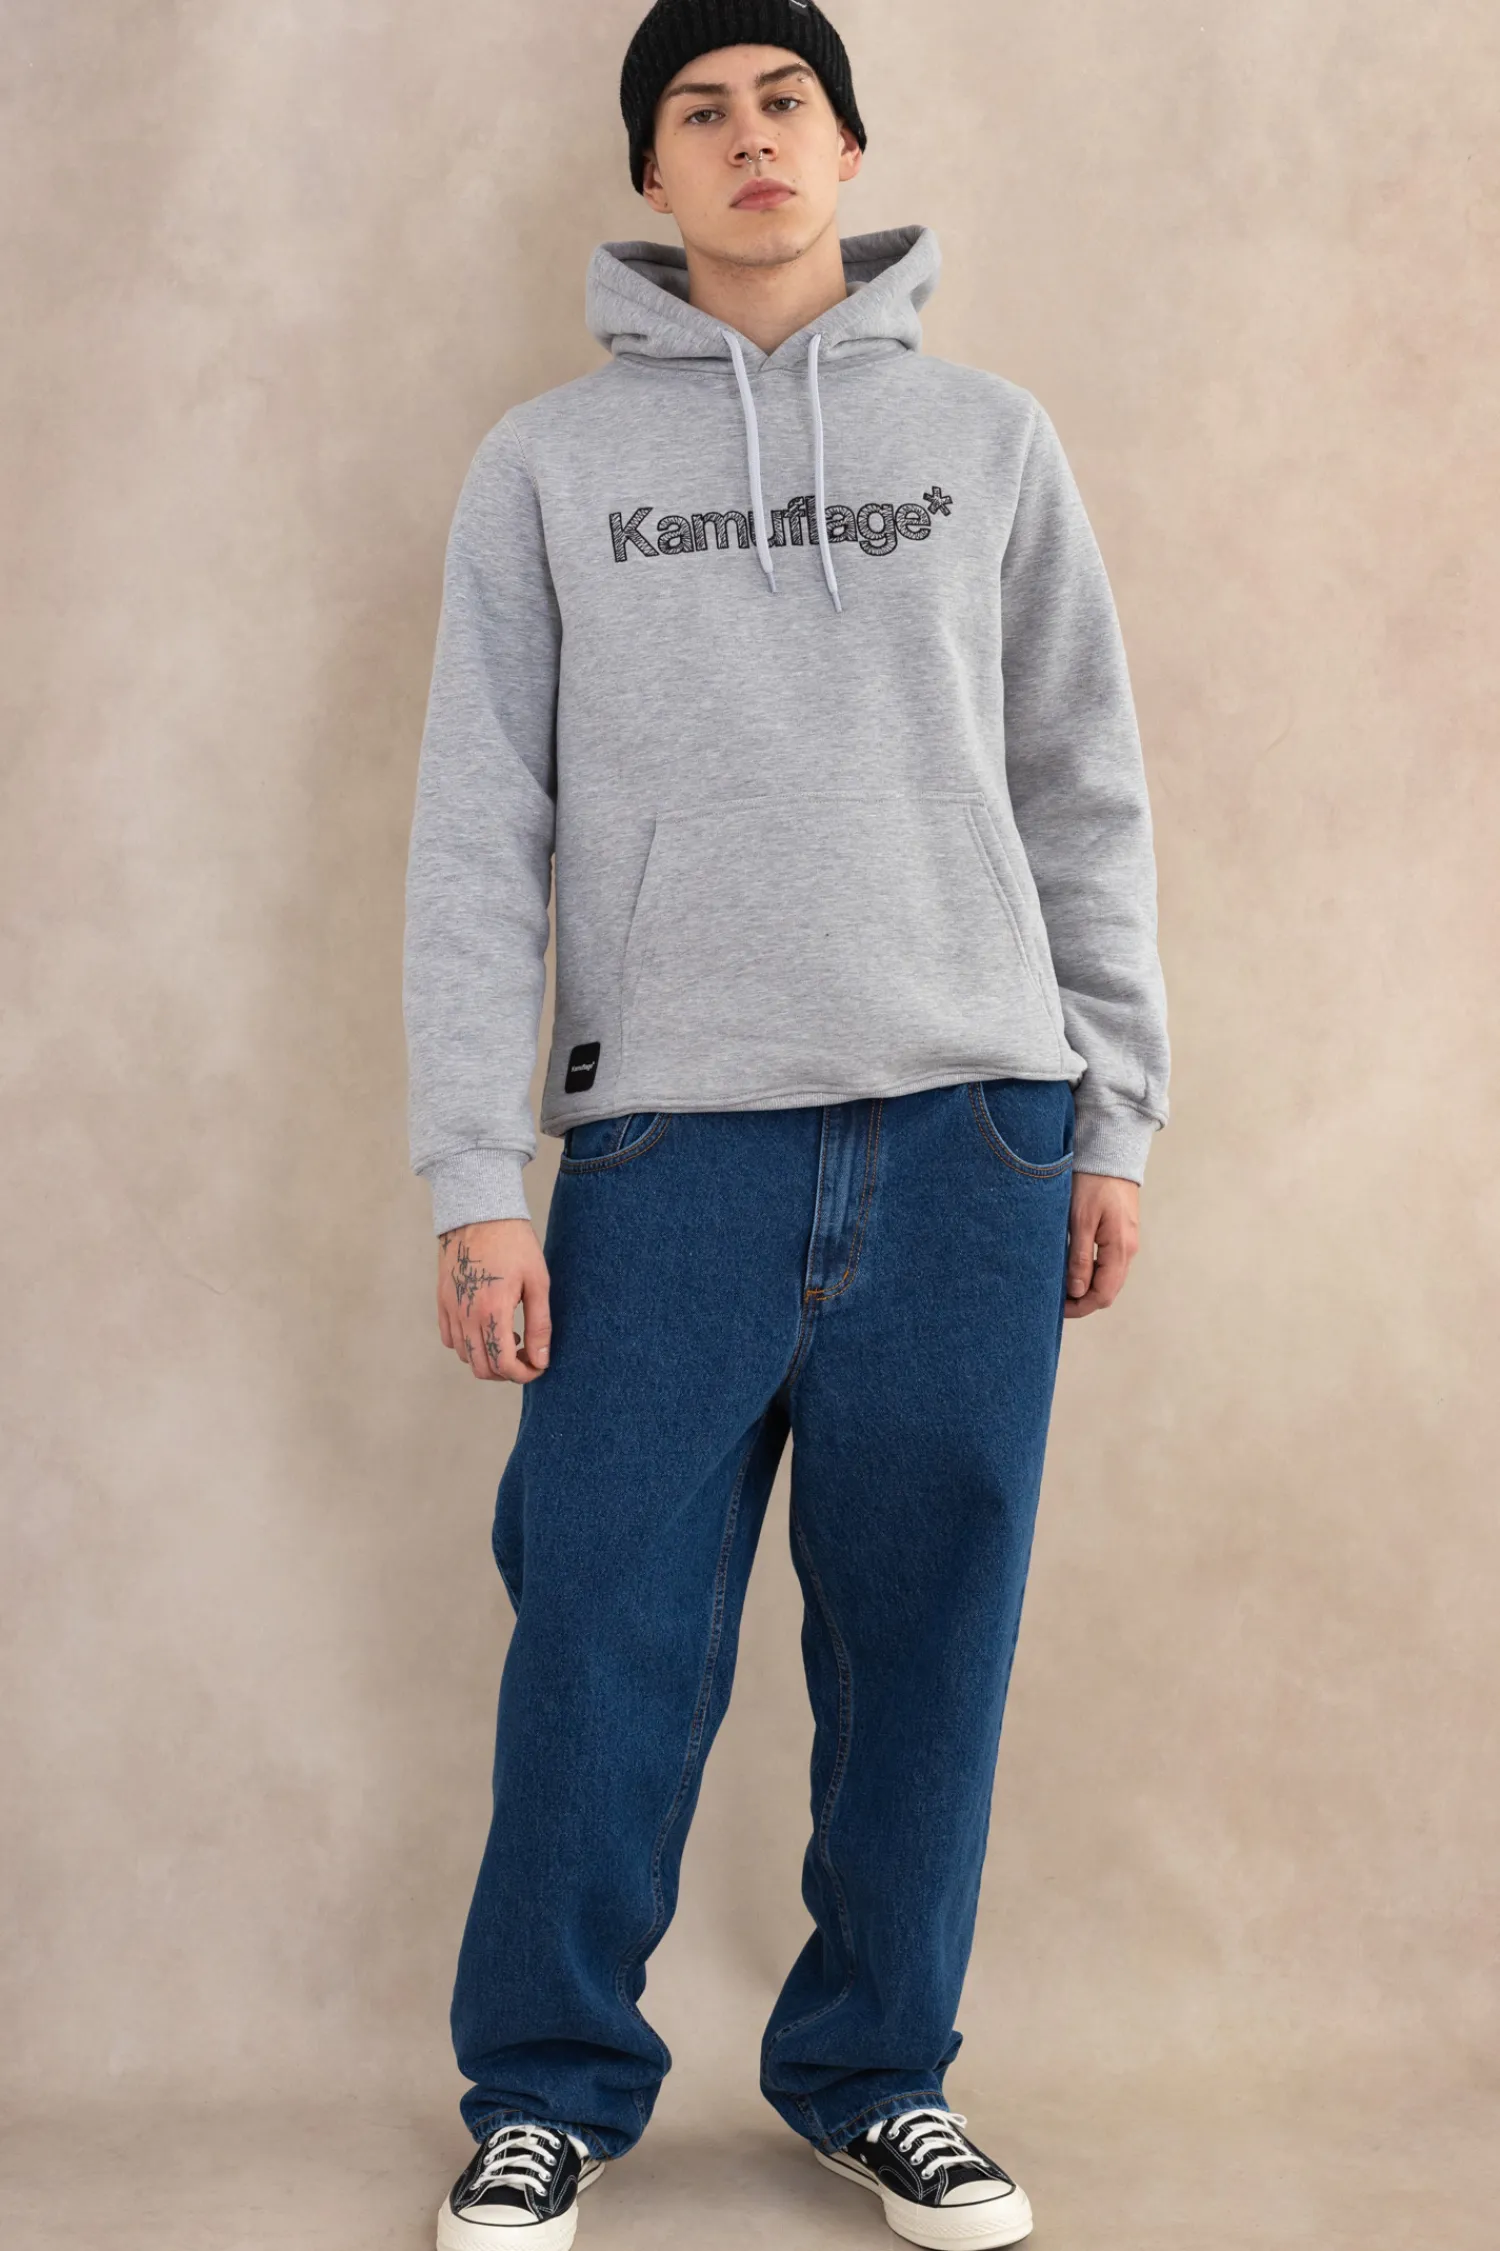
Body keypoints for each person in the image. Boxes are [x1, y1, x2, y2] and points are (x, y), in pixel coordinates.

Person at [402, 2, 1170, 2243]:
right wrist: (475, 1176)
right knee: (598, 1636)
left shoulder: (992, 442)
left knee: (931, 1646)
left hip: (974, 1138)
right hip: (669, 1155)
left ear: (848, 147)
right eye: (700, 112)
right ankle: (546, 2088)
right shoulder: (545, 468)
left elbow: (1085, 790)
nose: (750, 139)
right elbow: (478, 832)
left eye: (785, 104)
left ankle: (875, 2072)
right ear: (651, 174)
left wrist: (1113, 1118)